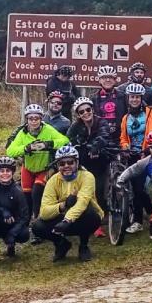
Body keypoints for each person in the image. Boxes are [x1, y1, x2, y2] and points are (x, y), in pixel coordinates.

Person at [32, 145, 104, 262]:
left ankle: (84, 246)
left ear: (77, 163)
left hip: (82, 217)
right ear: (57, 166)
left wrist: (67, 220)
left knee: (89, 212)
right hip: (61, 217)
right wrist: (63, 205)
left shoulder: (87, 176)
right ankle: (61, 244)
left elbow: (83, 201)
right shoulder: (53, 181)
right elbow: (44, 211)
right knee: (37, 226)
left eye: (70, 162)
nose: (66, 166)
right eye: (62, 164)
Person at [6, 104, 70, 217]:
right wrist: (26, 148)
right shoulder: (23, 133)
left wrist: (49, 144)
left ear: (41, 119)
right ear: (27, 119)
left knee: (37, 192)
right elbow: (10, 151)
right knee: (26, 194)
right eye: (31, 118)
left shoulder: (48, 129)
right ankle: (26, 219)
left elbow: (65, 140)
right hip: (28, 168)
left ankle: (38, 217)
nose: (34, 121)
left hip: (43, 168)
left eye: (37, 118)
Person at [119, 84, 152, 233]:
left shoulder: (151, 113)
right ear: (128, 98)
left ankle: (138, 221)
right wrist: (124, 146)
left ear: (141, 98)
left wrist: (147, 149)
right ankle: (150, 211)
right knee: (136, 187)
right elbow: (123, 137)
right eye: (132, 97)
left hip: (147, 154)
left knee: (138, 187)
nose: (135, 100)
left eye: (137, 97)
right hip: (131, 155)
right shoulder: (126, 118)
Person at [67, 96, 111, 236]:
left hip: (101, 159)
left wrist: (95, 147)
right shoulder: (75, 126)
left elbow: (104, 135)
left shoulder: (101, 122)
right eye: (81, 112)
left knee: (99, 188)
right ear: (78, 115)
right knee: (84, 190)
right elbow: (69, 139)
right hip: (84, 161)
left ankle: (101, 216)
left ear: (92, 109)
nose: (86, 113)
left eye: (88, 109)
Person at [92, 65, 127, 145]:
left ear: (115, 80)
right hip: (101, 136)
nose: (107, 80)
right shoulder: (94, 98)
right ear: (99, 80)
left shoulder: (123, 96)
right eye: (104, 77)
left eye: (110, 77)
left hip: (120, 136)